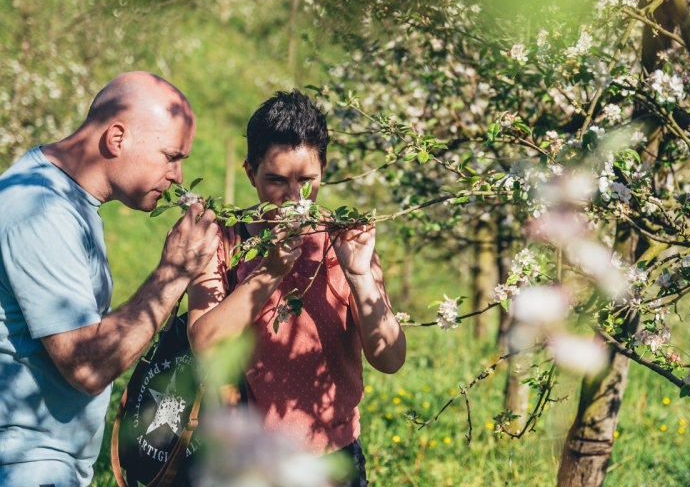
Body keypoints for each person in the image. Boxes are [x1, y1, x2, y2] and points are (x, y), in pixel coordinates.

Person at [0, 72, 220, 487]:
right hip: (24, 464)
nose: (177, 176)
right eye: (171, 156)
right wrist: (174, 273)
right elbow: (87, 365)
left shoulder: (66, 199)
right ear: (117, 138)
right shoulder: (43, 213)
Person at [187, 90, 406, 486]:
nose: (293, 199)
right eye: (275, 181)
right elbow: (205, 340)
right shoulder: (223, 242)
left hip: (333, 457)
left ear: (324, 169)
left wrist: (359, 276)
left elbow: (390, 358)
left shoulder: (346, 241)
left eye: (307, 181)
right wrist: (267, 273)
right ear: (250, 172)